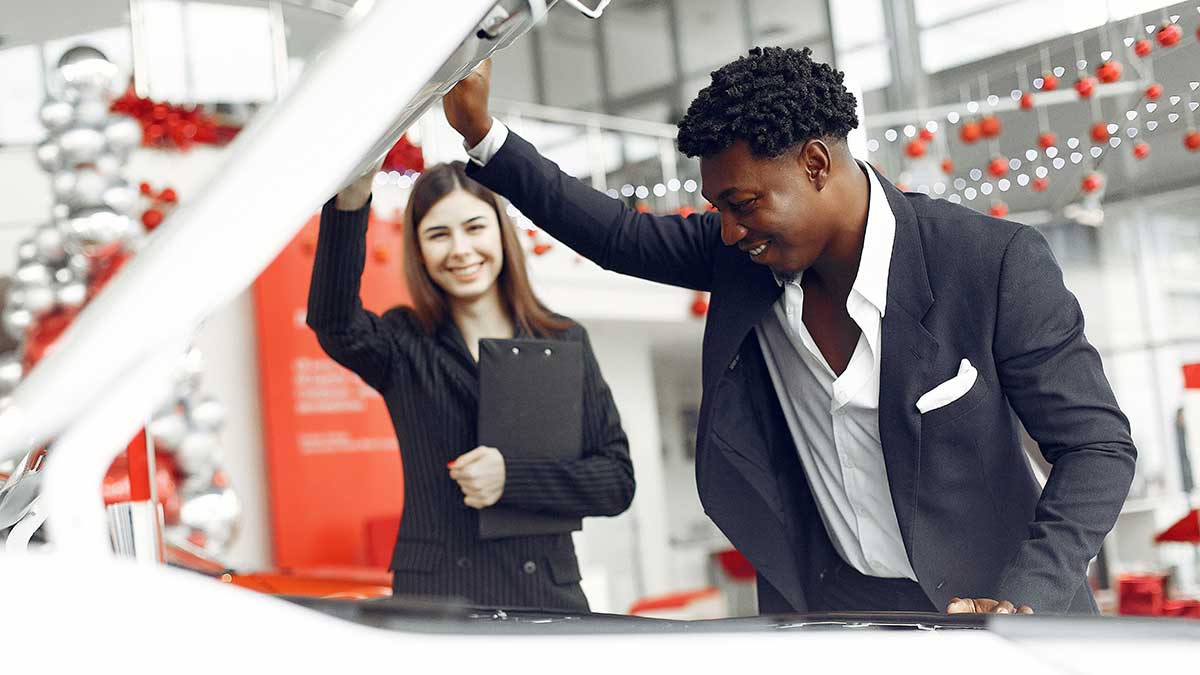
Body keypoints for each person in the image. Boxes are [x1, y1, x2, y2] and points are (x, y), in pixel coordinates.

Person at [442, 48, 1136, 615]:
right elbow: (616, 234)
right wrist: (481, 132)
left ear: (815, 164)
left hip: (994, 613)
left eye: (742, 203)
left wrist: (1025, 598)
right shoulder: (745, 261)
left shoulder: (990, 262)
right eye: (718, 207)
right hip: (836, 615)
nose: (728, 230)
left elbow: (1096, 446)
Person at [306, 160, 635, 611]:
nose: (460, 250)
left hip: (545, 598)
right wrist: (352, 198)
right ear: (418, 250)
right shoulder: (402, 341)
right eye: (438, 234)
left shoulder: (562, 339)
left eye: (474, 227)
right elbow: (334, 322)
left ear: (500, 231)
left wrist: (512, 478)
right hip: (438, 600)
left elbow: (616, 481)